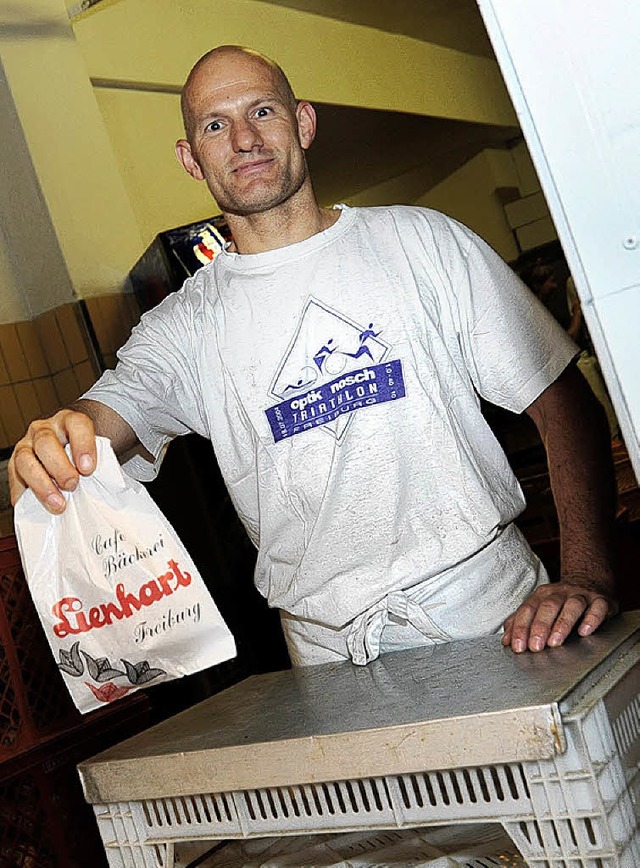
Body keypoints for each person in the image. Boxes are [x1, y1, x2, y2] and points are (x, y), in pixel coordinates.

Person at [9, 46, 618, 666]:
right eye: (215, 125)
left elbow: (563, 402)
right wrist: (59, 436)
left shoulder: (423, 242)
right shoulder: (185, 326)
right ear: (191, 159)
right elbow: (106, 415)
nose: (244, 139)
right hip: (329, 663)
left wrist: (589, 575)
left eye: (263, 111)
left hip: (497, 620)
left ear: (303, 123)